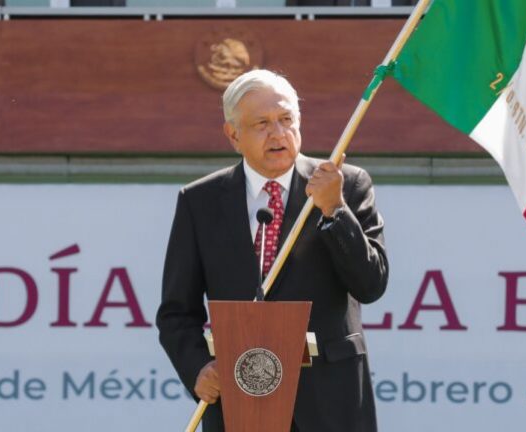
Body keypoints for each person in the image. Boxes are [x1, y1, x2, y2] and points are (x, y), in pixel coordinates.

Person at [156, 69, 388, 432]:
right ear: (233, 134)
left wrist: (335, 211)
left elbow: (371, 285)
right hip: (241, 398)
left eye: (286, 119)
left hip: (331, 403)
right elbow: (175, 313)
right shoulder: (199, 202)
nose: (278, 133)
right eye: (262, 123)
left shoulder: (345, 185)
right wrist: (197, 368)